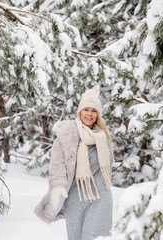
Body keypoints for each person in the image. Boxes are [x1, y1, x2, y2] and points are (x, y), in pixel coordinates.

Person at [35, 89, 114, 240]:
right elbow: (57, 166)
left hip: (100, 198)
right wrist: (57, 187)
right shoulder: (66, 136)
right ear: (80, 111)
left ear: (98, 114)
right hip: (75, 199)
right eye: (86, 110)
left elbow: (108, 166)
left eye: (93, 111)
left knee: (95, 237)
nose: (89, 114)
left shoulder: (102, 137)